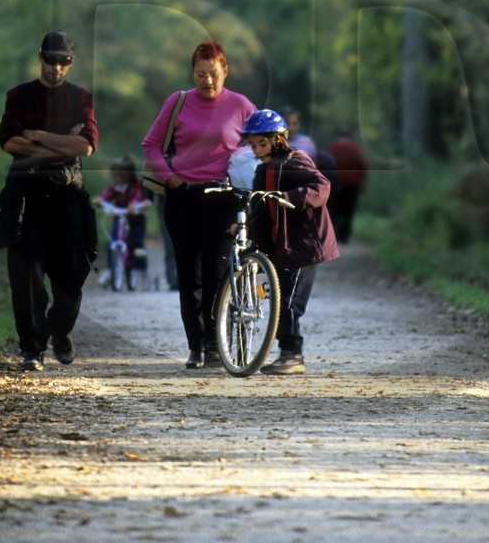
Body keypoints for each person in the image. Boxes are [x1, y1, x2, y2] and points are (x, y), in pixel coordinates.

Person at [0, 30, 98, 371]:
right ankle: (31, 349)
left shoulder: (81, 98)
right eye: (50, 59)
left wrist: (39, 137)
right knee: (26, 277)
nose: (56, 67)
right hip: (26, 195)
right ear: (40, 58)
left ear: (71, 63)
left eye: (64, 61)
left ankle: (60, 331)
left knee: (71, 277)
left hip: (67, 195)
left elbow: (87, 147)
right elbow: (9, 143)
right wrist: (62, 142)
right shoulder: (18, 96)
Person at [141, 41, 256, 369]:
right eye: (200, 74)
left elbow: (260, 144)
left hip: (222, 198)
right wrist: (169, 177)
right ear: (192, 73)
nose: (207, 81)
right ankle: (196, 346)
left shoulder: (241, 105)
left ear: (225, 71)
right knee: (188, 276)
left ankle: (214, 342)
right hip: (183, 197)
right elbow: (150, 144)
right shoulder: (177, 102)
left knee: (216, 273)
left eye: (214, 74)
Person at [238, 108, 339, 375]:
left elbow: (322, 186)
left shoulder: (297, 160)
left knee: (291, 302)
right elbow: (259, 205)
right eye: (253, 145)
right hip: (281, 244)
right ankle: (287, 352)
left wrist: (291, 196)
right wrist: (244, 224)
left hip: (303, 243)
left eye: (262, 143)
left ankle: (292, 354)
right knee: (281, 298)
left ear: (278, 139)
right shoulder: (262, 171)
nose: (257, 149)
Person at [97, 156, 151, 289]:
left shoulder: (135, 186)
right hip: (120, 218)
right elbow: (108, 194)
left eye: (118, 176)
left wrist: (134, 205)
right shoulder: (116, 187)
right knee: (112, 242)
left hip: (135, 221)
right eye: (114, 175)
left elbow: (137, 196)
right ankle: (110, 269)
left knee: (137, 244)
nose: (115, 178)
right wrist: (101, 200)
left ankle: (141, 269)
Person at [322, 129, 369, 244]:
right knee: (348, 211)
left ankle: (335, 234)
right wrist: (362, 183)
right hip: (351, 185)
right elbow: (362, 167)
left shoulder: (331, 149)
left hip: (334, 185)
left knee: (335, 209)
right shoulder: (355, 150)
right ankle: (345, 235)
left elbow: (323, 166)